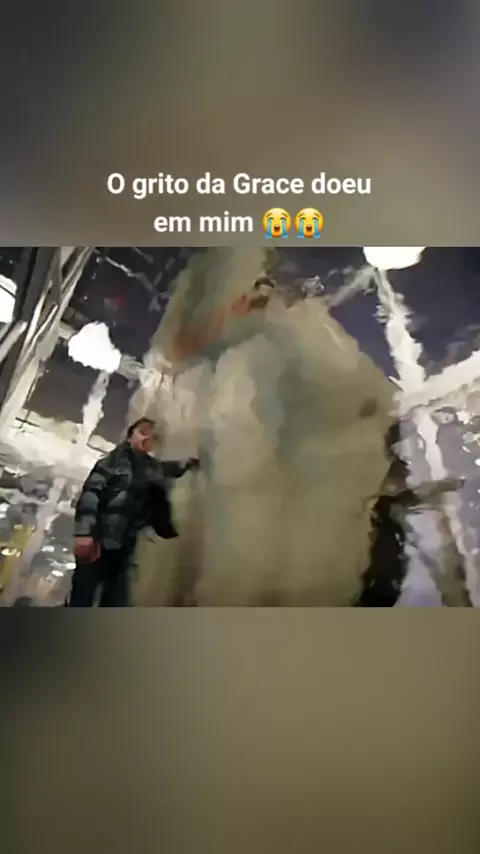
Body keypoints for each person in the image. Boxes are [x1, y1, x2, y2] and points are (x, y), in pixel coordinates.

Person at [66, 417, 199, 607]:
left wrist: (186, 464)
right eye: (143, 432)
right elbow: (90, 495)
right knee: (83, 598)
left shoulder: (151, 467)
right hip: (98, 542)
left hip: (123, 548)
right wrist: (84, 534)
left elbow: (167, 469)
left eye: (153, 436)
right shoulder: (111, 462)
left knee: (115, 601)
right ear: (130, 436)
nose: (148, 438)